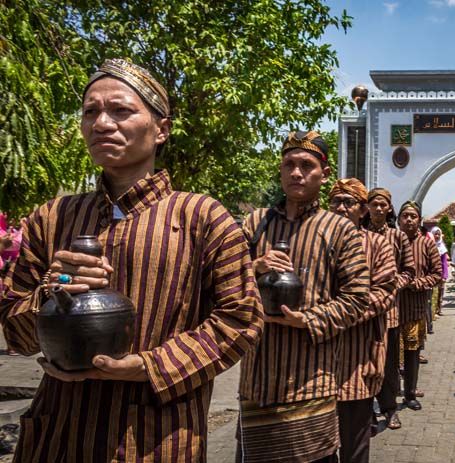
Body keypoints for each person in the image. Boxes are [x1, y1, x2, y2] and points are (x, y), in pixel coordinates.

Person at [0, 58, 264, 462]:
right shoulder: (52, 217)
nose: (102, 123)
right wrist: (51, 294)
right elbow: (16, 334)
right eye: (91, 111)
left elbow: (240, 321)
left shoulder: (202, 218)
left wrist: (148, 366)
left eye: (120, 110)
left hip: (157, 439)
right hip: (55, 437)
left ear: (161, 130)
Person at [238, 130, 369, 462]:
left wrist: (306, 319)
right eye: (289, 164)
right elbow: (220, 280)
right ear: (280, 170)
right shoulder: (254, 224)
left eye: (306, 165)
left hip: (312, 381)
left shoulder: (340, 230)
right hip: (257, 383)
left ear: (324, 175)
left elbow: (357, 299)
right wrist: (254, 266)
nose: (296, 172)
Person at [328, 178, 396, 463]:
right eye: (336, 201)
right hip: (318, 360)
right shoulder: (316, 241)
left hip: (361, 356)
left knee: (355, 444)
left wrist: (332, 314)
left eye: (349, 202)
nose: (342, 208)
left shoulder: (378, 245)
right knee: (321, 446)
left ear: (362, 209)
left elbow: (384, 293)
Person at [367, 187, 415, 431]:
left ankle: (390, 409)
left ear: (389, 208)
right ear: (367, 207)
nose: (377, 208)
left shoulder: (399, 237)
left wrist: (392, 285)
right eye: (373, 204)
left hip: (390, 312)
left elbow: (409, 270)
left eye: (382, 205)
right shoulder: (358, 234)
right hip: (363, 312)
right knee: (364, 363)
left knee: (388, 365)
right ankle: (367, 413)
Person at [397, 201, 442, 411]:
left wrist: (418, 283)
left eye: (413, 216)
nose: (408, 220)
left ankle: (410, 393)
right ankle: (390, 394)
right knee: (389, 354)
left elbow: (437, 274)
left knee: (412, 351)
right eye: (404, 215)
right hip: (391, 307)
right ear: (398, 220)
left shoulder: (427, 244)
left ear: (419, 220)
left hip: (415, 307)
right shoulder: (390, 240)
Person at [430, 226, 450, 319]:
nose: (437, 236)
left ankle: (438, 309)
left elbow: (444, 263)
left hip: (440, 274)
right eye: (435, 234)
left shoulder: (442, 247)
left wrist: (444, 275)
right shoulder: (429, 245)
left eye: (438, 234)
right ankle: (432, 312)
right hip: (431, 274)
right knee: (433, 294)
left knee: (440, 293)